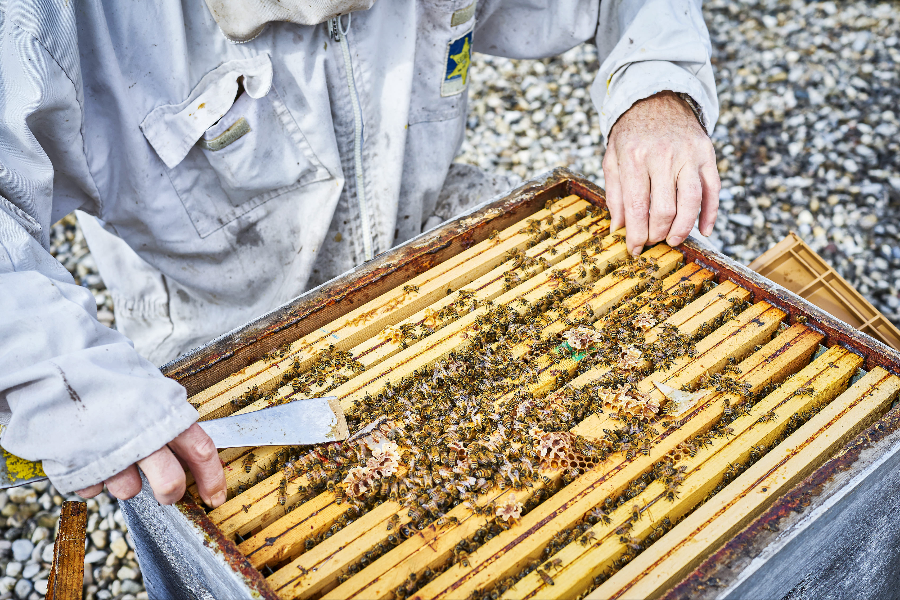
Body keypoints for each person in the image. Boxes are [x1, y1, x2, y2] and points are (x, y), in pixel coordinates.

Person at [0, 0, 719, 512]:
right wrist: (67, 380)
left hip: (440, 261)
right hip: (219, 341)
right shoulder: (46, 19)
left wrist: (657, 89)